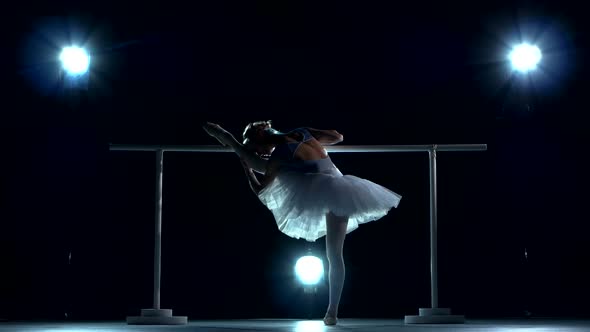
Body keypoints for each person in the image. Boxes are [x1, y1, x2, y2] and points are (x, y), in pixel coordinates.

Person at [203, 121, 401, 325]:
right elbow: (337, 136)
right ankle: (332, 312)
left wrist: (246, 168)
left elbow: (261, 191)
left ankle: (228, 140)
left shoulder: (279, 154)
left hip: (323, 191)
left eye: (257, 148)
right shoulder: (301, 132)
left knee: (333, 254)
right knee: (335, 254)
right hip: (343, 188)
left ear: (261, 137)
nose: (261, 153)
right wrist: (315, 141)